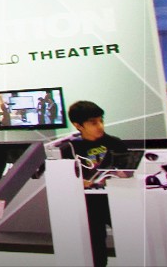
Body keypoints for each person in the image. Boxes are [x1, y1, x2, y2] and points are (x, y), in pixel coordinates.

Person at [57, 100, 124, 267]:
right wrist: (79, 183)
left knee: (130, 238)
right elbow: (62, 179)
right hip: (89, 203)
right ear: (78, 125)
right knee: (96, 246)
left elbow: (128, 171)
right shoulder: (69, 149)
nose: (100, 126)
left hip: (116, 200)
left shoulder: (115, 143)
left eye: (101, 120)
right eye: (93, 123)